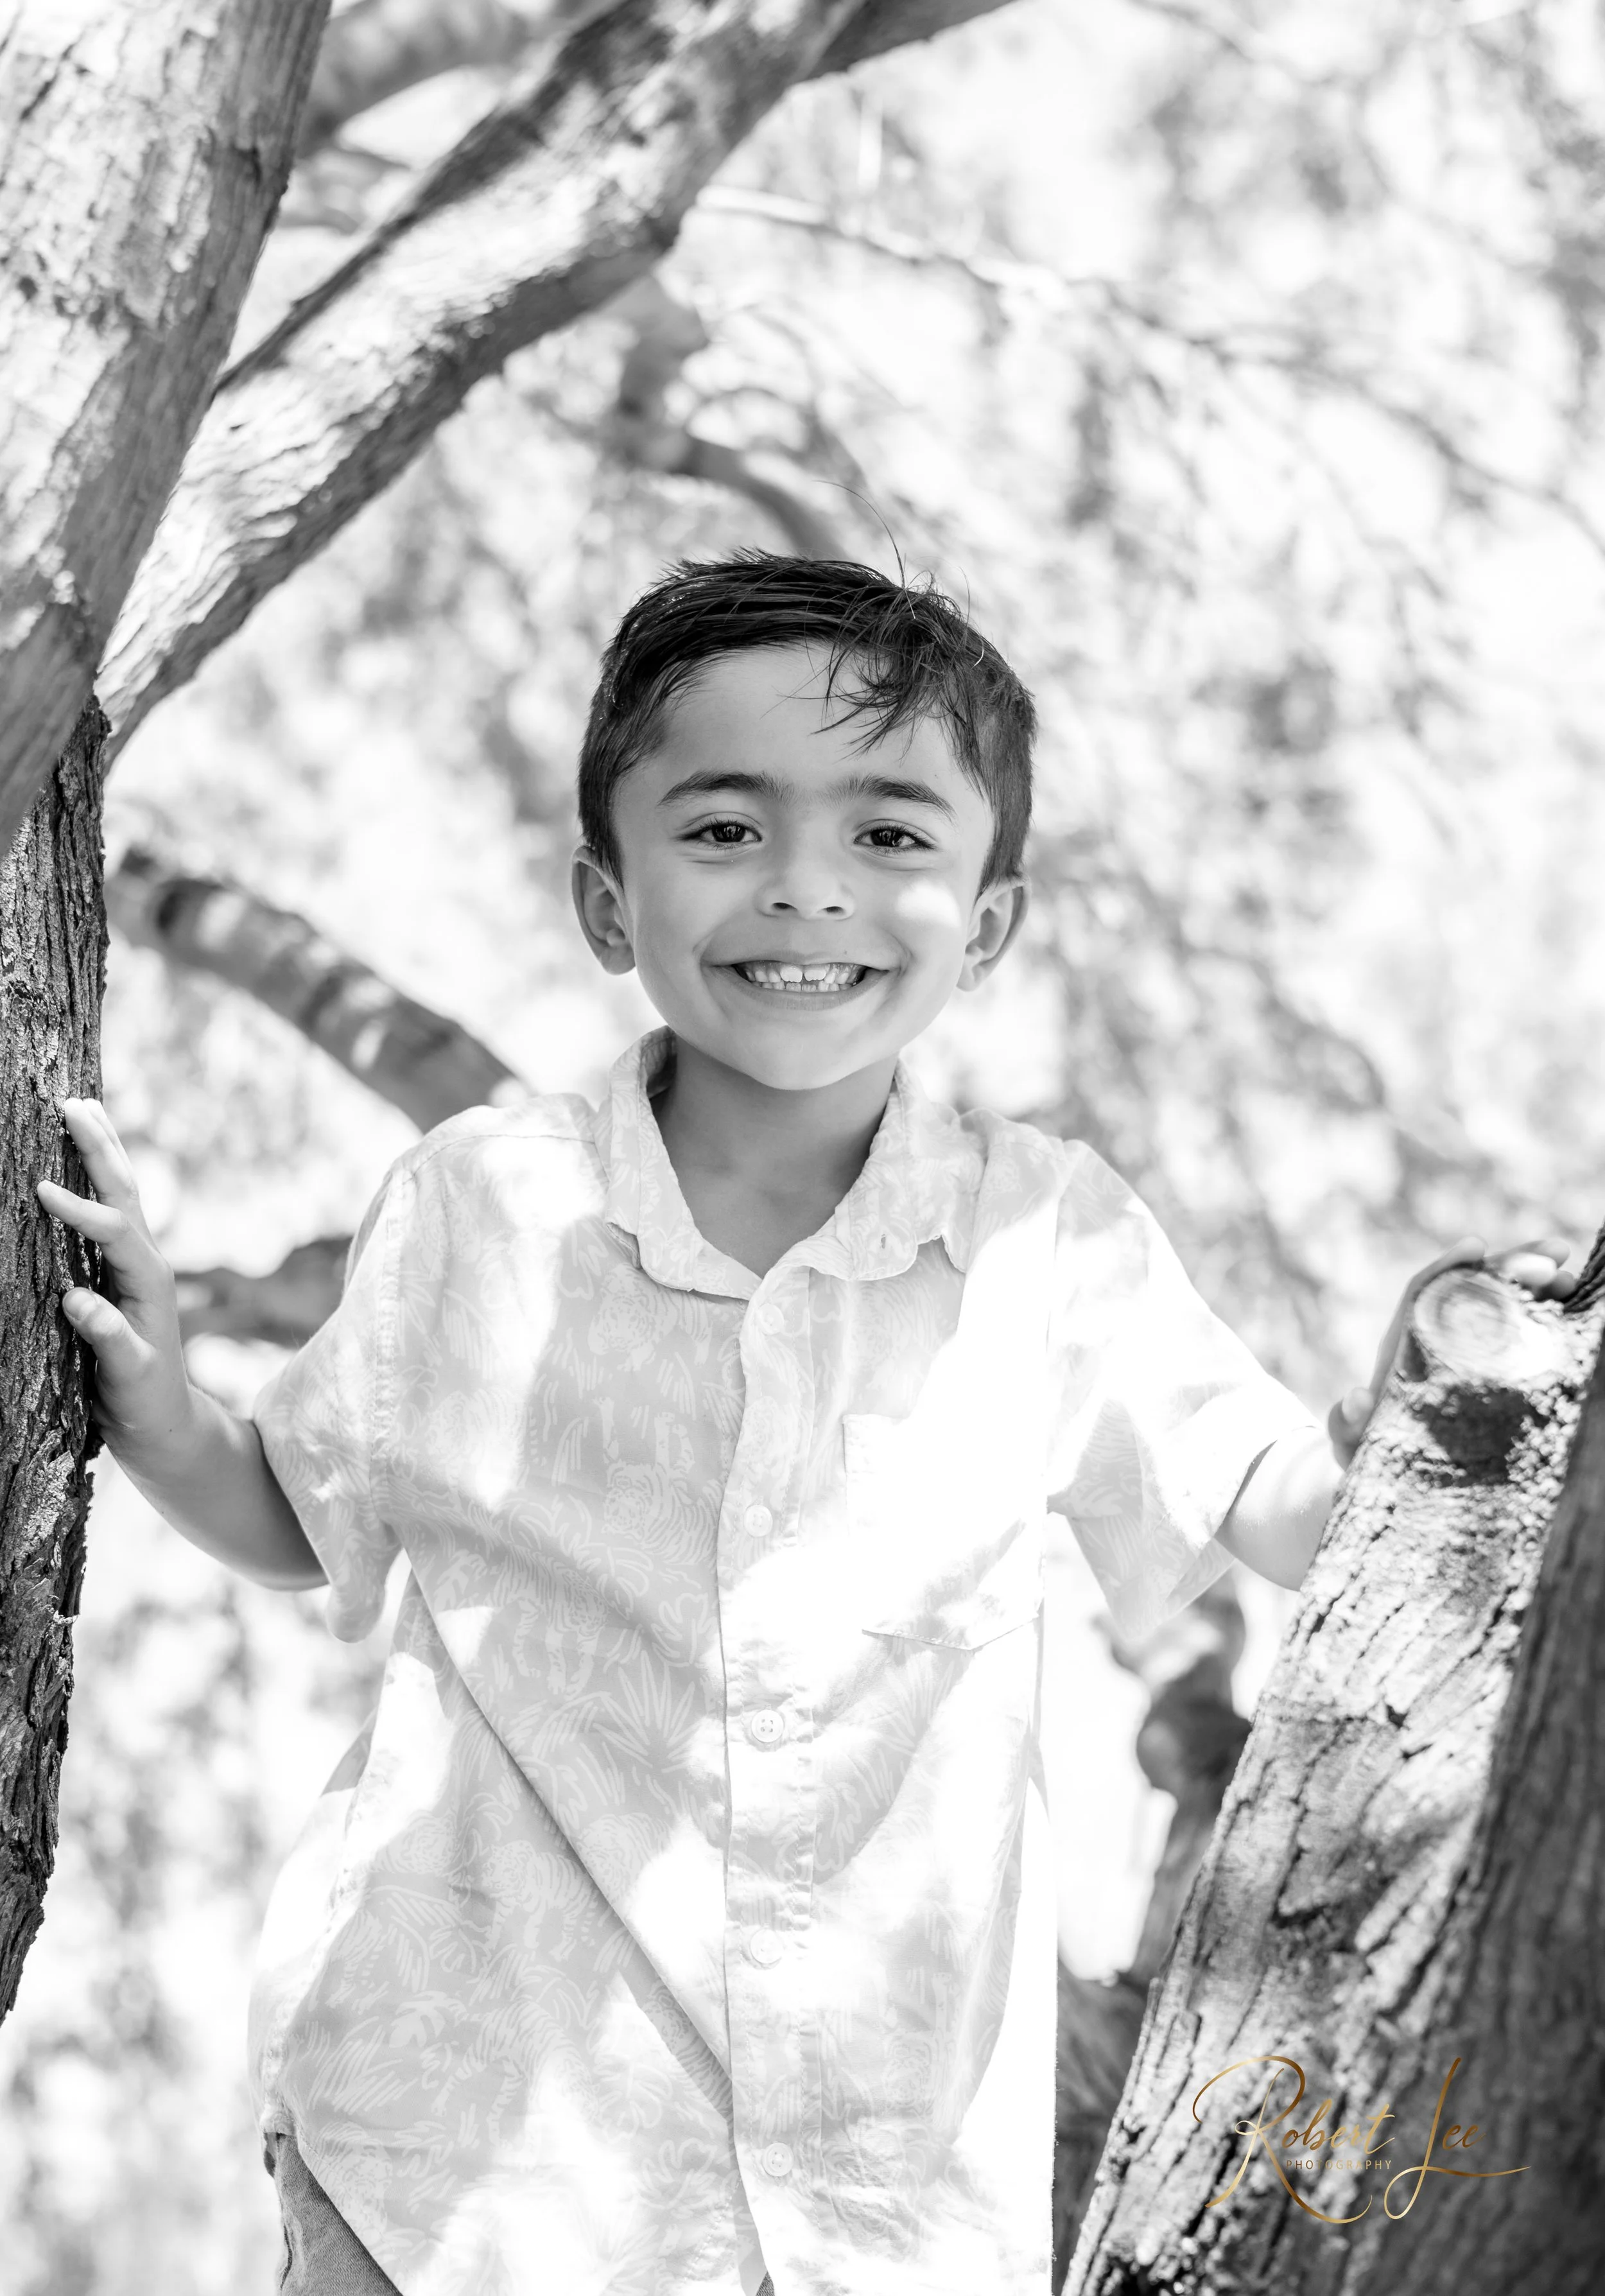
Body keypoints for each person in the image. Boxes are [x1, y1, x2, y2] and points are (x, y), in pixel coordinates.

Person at [37, 555, 1573, 2296]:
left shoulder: (1044, 1238)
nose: (805, 889)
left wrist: (1435, 1414)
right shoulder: (484, 1200)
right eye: (722, 829)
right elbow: (296, 1515)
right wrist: (156, 1398)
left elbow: (1281, 1497)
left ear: (984, 920)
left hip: (878, 2206)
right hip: (460, 2159)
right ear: (605, 901)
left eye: (891, 836)